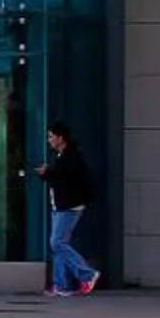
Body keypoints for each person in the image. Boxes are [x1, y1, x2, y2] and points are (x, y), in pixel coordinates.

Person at [37, 125, 101, 294]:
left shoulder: (70, 158)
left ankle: (87, 274)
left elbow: (66, 181)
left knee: (57, 242)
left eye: (51, 136)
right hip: (60, 205)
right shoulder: (61, 157)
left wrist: (47, 174)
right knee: (59, 244)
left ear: (61, 138)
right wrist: (48, 174)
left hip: (69, 206)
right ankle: (61, 284)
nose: (49, 140)